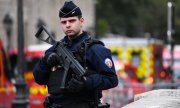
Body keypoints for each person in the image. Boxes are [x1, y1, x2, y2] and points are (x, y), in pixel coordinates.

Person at [33, 1, 118, 108]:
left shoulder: (95, 49)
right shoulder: (54, 49)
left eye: (72, 21)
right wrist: (45, 61)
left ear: (81, 21)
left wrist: (86, 83)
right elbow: (38, 79)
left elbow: (112, 80)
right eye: (64, 22)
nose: (67, 25)